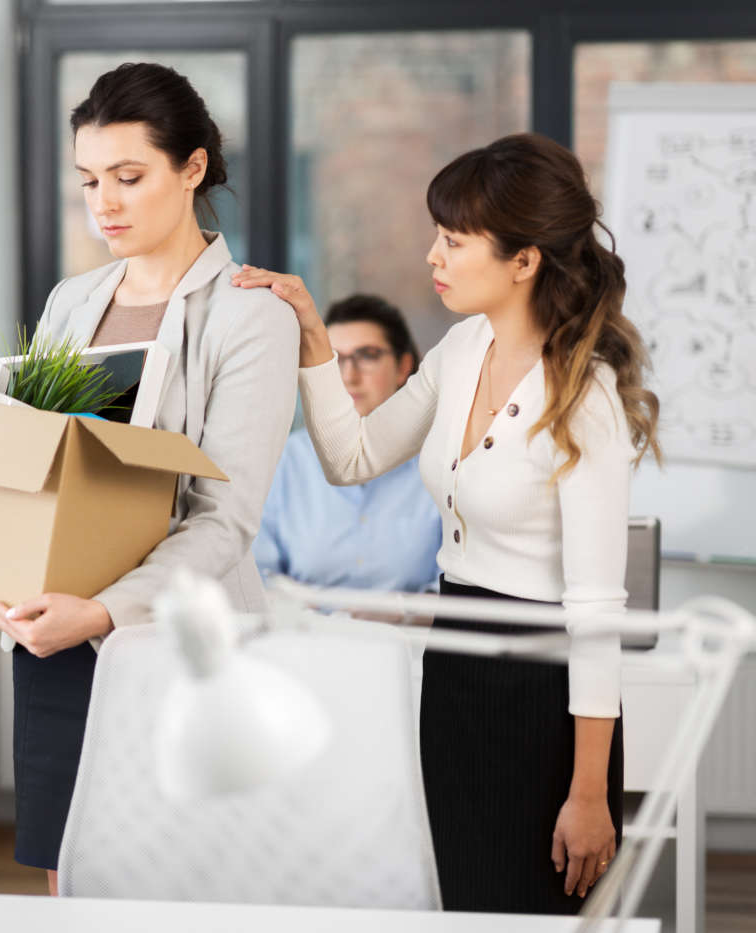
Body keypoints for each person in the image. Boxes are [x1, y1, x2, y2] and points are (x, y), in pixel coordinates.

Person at [0, 62, 298, 895]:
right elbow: (19, 485)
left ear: (193, 167)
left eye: (130, 177)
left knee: (183, 889)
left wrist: (100, 610)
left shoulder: (251, 316)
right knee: (72, 885)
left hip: (177, 643)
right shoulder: (71, 300)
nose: (105, 203)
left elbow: (223, 519)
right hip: (52, 646)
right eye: (90, 179)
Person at [233, 132, 660, 914]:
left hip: (543, 689)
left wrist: (591, 791)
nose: (434, 255)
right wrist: (312, 338)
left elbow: (596, 609)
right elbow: (352, 458)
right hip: (457, 666)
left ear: (523, 260)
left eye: (454, 240)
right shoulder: (462, 348)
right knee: (461, 902)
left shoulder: (584, 396)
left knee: (526, 910)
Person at [253, 294, 440, 591]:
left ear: (404, 367)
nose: (349, 376)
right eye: (334, 359)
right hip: (302, 633)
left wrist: (401, 611)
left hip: (408, 635)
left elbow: (452, 588)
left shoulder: (441, 462)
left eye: (367, 355)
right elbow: (258, 576)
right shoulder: (284, 461)